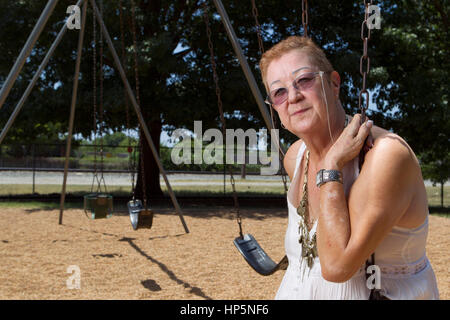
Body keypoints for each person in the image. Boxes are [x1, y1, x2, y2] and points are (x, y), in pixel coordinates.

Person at [259, 36, 439, 300]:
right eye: (279, 92)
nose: (294, 97)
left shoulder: (384, 156)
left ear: (333, 84)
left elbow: (336, 267)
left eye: (304, 80)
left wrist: (332, 166)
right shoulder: (296, 157)